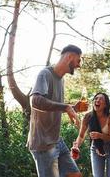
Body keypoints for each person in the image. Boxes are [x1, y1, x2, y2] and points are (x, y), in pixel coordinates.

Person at [27, 45, 86, 177]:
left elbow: (53, 106)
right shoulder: (45, 74)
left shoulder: (61, 80)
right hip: (43, 143)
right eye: (78, 60)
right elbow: (35, 101)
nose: (79, 65)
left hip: (56, 139)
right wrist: (65, 107)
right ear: (69, 57)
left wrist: (73, 108)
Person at [71, 92, 110, 177]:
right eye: (96, 98)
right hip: (96, 148)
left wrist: (100, 135)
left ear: (105, 105)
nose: (97, 100)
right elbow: (81, 135)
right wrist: (76, 146)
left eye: (100, 99)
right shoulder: (88, 117)